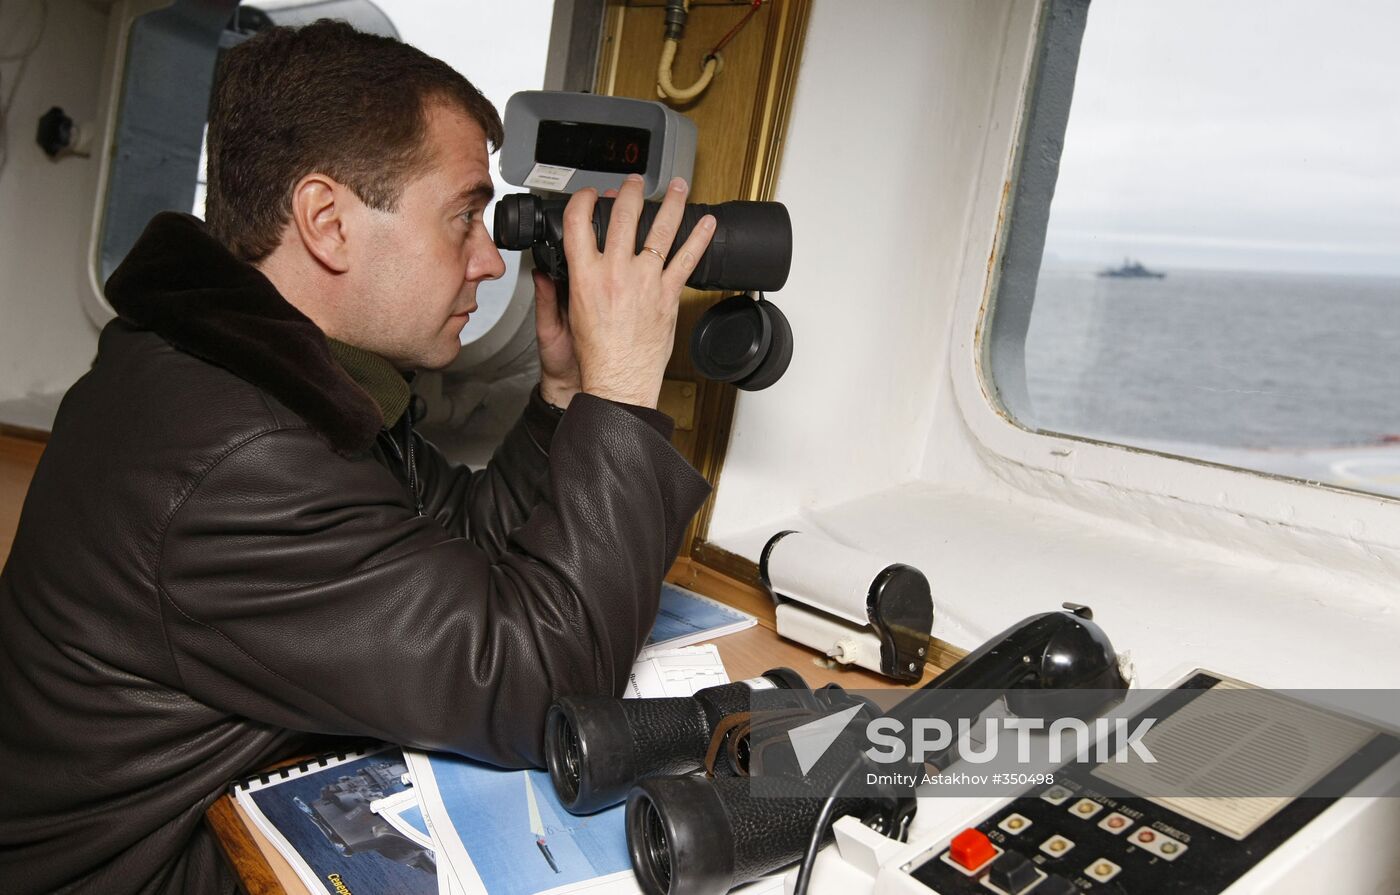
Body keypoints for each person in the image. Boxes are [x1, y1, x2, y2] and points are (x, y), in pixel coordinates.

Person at [0, 20, 714, 894]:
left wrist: (566, 395)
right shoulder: (240, 456)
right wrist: (627, 387)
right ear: (328, 223)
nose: (491, 260)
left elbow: (470, 543)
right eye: (462, 217)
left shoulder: (258, 371)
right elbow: (549, 689)